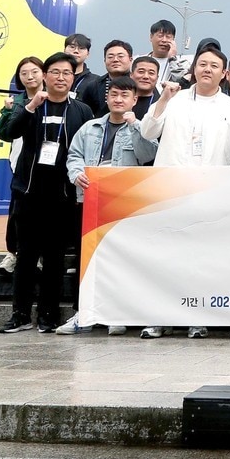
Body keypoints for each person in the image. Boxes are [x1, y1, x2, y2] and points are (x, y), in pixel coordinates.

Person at [138, 45, 230, 340]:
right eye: (202, 64)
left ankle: (197, 318)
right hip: (171, 190)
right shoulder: (175, 100)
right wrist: (163, 98)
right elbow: (148, 132)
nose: (207, 69)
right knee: (167, 257)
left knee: (202, 258)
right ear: (193, 69)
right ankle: (159, 318)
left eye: (214, 66)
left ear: (224, 74)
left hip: (212, 192)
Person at [0, 53, 93, 334]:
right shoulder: (30, 105)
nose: (60, 77)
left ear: (73, 78)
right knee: (25, 256)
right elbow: (8, 133)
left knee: (54, 258)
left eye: (66, 73)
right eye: (55, 72)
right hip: (29, 192)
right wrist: (29, 108)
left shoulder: (82, 111)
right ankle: (20, 314)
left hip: (62, 195)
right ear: (44, 76)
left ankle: (48, 314)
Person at [58, 75, 158, 336]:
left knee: (121, 259)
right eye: (114, 94)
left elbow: (148, 156)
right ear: (107, 97)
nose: (118, 99)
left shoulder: (140, 127)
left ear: (135, 100)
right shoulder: (90, 127)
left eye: (125, 96)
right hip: (90, 199)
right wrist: (75, 173)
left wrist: (136, 126)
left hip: (124, 205)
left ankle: (118, 312)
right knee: (88, 259)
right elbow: (74, 155)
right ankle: (83, 312)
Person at [0, 56, 44, 276]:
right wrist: (7, 112)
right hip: (21, 165)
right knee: (16, 211)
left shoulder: (56, 99)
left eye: (34, 71)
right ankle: (12, 254)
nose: (29, 76)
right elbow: (4, 133)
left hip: (48, 165)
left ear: (44, 73)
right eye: (24, 73)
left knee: (44, 214)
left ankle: (40, 256)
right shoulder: (16, 103)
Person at [78, 40, 134, 118]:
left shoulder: (138, 84)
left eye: (120, 56)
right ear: (104, 61)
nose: (115, 60)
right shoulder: (94, 86)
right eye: (110, 57)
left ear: (130, 59)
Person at [148, 19, 186, 88]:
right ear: (151, 37)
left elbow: (180, 81)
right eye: (160, 36)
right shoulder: (140, 61)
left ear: (173, 40)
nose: (164, 40)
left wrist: (172, 59)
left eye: (168, 37)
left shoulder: (181, 63)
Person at [63, 33, 99, 100]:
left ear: (88, 54)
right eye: (72, 47)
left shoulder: (95, 81)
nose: (76, 51)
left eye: (81, 48)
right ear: (64, 50)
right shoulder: (55, 76)